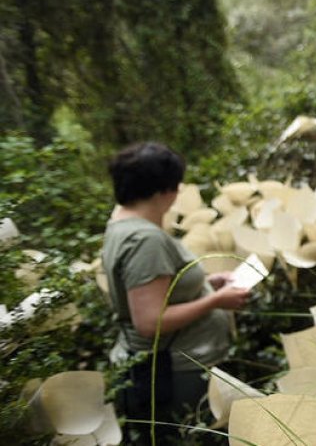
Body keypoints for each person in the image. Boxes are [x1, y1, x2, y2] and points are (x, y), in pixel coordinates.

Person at [102, 143, 250, 443]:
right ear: (162, 191)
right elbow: (149, 321)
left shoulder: (122, 223)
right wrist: (216, 301)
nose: (179, 191)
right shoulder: (145, 240)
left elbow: (155, 287)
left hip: (170, 367)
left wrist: (208, 282)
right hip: (176, 374)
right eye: (176, 184)